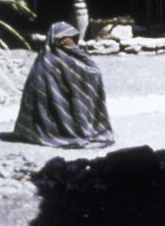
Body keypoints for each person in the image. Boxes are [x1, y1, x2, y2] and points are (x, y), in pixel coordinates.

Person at [13, 21, 114, 149]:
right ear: (57, 40)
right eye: (67, 39)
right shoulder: (51, 62)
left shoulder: (65, 59)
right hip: (48, 120)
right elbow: (91, 72)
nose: (71, 42)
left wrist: (77, 51)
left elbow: (92, 73)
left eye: (73, 39)